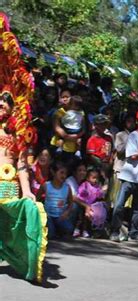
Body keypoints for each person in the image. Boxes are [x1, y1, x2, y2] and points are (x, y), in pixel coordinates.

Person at [0, 15, 47, 283]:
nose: (0, 108)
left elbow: (21, 165)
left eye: (4, 104)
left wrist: (27, 191)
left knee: (10, 223)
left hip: (7, 185)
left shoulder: (18, 134)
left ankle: (21, 260)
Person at [37, 162, 74, 239]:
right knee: (50, 235)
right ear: (53, 172)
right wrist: (42, 213)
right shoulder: (46, 185)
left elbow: (71, 203)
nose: (64, 176)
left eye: (65, 173)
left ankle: (58, 231)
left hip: (60, 216)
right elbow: (37, 199)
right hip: (49, 216)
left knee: (69, 229)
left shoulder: (67, 187)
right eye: (61, 173)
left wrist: (66, 212)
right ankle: (53, 230)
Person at [74, 167, 107, 238]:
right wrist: (84, 192)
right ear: (88, 178)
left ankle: (85, 230)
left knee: (87, 219)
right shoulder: (85, 184)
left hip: (90, 205)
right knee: (80, 217)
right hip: (83, 204)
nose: (96, 180)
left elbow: (98, 195)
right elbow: (80, 192)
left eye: (97, 178)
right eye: (93, 178)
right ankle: (77, 229)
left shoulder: (97, 186)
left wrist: (102, 192)